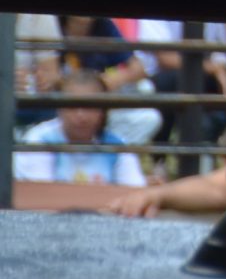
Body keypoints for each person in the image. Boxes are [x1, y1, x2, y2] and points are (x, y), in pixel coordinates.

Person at [10, 69, 147, 189]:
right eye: (72, 106)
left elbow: (134, 192)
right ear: (59, 108)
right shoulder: (39, 140)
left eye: (89, 106)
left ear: (103, 110)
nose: (81, 115)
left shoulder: (117, 146)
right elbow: (41, 197)